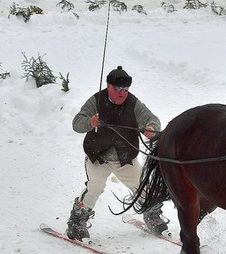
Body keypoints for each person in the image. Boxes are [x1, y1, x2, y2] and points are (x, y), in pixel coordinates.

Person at [66, 65, 167, 241]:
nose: (122, 92)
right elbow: (76, 123)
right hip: (98, 157)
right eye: (117, 88)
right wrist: (90, 122)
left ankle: (152, 215)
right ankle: (77, 221)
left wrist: (152, 128)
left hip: (125, 158)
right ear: (108, 86)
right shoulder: (96, 101)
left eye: (125, 89)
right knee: (95, 188)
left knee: (143, 187)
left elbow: (152, 119)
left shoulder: (134, 103)